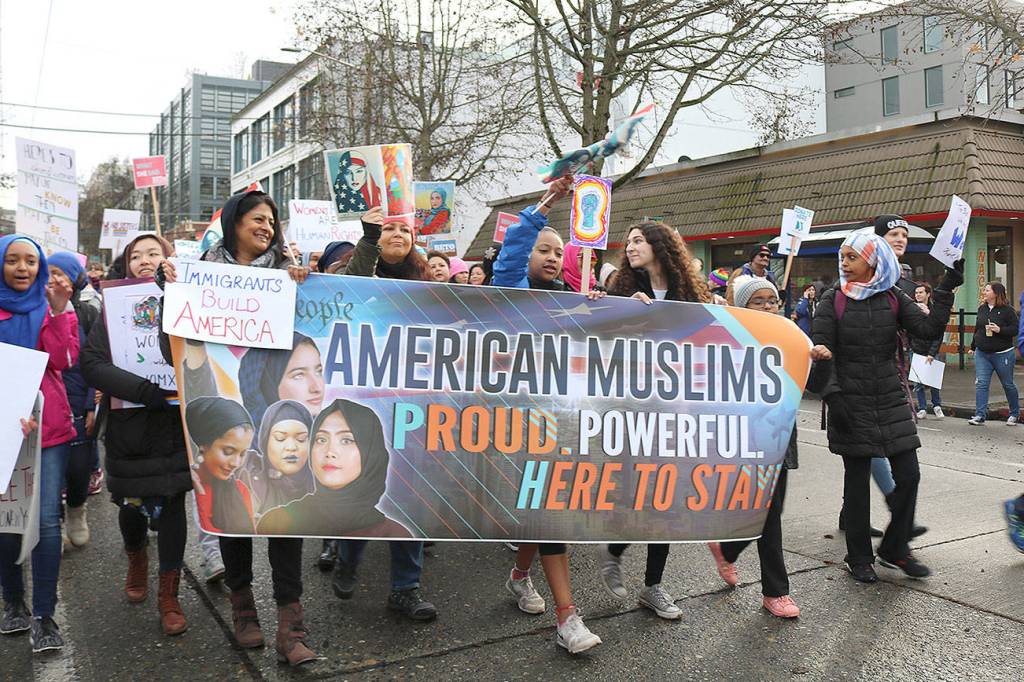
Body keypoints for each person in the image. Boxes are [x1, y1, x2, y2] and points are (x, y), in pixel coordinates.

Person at [160, 189, 316, 666]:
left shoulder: (288, 278)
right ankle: (244, 608)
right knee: (234, 514)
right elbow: (175, 353)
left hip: (278, 418)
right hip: (229, 419)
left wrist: (306, 288)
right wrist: (173, 295)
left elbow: (312, 336)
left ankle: (292, 626)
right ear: (232, 222)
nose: (267, 226)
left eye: (272, 220)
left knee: (286, 518)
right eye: (257, 218)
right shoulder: (198, 276)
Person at [491, 176, 603, 654]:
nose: (552, 257)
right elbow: (511, 254)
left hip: (564, 422)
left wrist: (611, 308)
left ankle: (520, 576)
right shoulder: (510, 291)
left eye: (559, 251)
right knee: (548, 512)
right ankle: (567, 616)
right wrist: (544, 207)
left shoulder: (575, 300)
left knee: (545, 510)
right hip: (518, 423)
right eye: (544, 249)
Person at [811, 231, 961, 583]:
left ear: (873, 261)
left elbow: (927, 329)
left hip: (891, 398)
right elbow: (821, 353)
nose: (844, 264)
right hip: (849, 401)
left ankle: (895, 548)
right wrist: (833, 397)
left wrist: (947, 286)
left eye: (852, 258)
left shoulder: (893, 297)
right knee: (857, 482)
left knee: (909, 475)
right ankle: (859, 557)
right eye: (843, 257)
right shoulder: (832, 301)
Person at [80, 234, 193, 636]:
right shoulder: (113, 307)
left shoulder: (188, 297)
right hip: (130, 425)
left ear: (168, 259)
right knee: (130, 507)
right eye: (136, 255)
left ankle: (169, 594)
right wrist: (144, 391)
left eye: (154, 253)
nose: (145, 260)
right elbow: (91, 364)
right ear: (126, 264)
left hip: (174, 426)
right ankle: (136, 558)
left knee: (175, 502)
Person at [600, 220, 711, 621]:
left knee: (665, 497)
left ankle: (653, 586)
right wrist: (618, 311)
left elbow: (710, 338)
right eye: (627, 241)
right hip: (632, 409)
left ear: (660, 247)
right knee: (636, 491)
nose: (629, 247)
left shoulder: (688, 294)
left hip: (675, 411)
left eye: (638, 240)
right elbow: (601, 335)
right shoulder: (622, 290)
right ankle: (614, 552)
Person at [331, 206, 436, 621]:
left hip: (412, 406)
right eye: (389, 227)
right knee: (366, 489)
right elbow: (348, 290)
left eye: (404, 229)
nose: (398, 233)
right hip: (363, 400)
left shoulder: (429, 282)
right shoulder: (354, 271)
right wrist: (368, 239)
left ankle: (405, 588)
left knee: (407, 496)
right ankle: (347, 556)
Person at [0, 235, 78, 653]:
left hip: (47, 433)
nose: (22, 268)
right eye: (12, 260)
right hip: (3, 432)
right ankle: (13, 602)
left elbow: (65, 360)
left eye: (31, 260)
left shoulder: (52, 310)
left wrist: (62, 311)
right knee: (6, 522)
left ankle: (45, 617)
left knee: (46, 522)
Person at [708, 276, 800, 618]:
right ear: (741, 308)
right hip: (745, 439)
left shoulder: (791, 338)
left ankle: (726, 548)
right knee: (767, 514)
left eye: (771, 301)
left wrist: (818, 358)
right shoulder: (727, 342)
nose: (766, 307)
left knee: (768, 510)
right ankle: (776, 592)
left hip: (779, 437)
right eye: (757, 302)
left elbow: (813, 383)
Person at [257, 399, 413, 537]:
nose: (330, 452)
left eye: (346, 440)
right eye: (321, 439)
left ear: (371, 453)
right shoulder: (277, 523)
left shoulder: (395, 535)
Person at [47, 252, 100, 549]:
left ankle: (77, 512)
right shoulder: (35, 312)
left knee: (78, 469)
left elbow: (96, 361)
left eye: (60, 273)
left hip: (79, 405)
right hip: (47, 407)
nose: (53, 279)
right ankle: (53, 521)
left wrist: (92, 402)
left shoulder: (88, 313)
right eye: (48, 272)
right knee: (49, 473)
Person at [240, 400, 316, 517]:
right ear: (266, 442)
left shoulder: (324, 482)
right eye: (280, 438)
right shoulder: (244, 471)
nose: (291, 447)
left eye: (301, 439)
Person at [968, 282, 1020, 426]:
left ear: (996, 293)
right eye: (984, 290)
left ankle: (1014, 414)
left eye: (987, 290)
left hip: (1003, 353)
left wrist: (999, 330)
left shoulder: (1008, 310)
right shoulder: (982, 309)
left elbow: (1015, 330)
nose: (984, 292)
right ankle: (980, 414)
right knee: (981, 384)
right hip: (982, 353)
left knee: (1008, 384)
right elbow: (978, 328)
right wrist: (973, 346)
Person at [909, 283, 944, 419]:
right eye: (916, 293)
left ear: (928, 294)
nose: (918, 295)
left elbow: (938, 333)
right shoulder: (912, 309)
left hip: (931, 349)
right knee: (918, 382)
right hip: (916, 348)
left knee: (934, 380)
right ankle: (922, 408)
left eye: (921, 292)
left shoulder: (935, 310)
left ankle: (936, 405)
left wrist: (932, 353)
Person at [332, 149, 381, 214]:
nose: (354, 178)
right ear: (342, 175)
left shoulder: (379, 194)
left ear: (366, 172)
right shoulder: (336, 197)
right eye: (348, 172)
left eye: (359, 171)